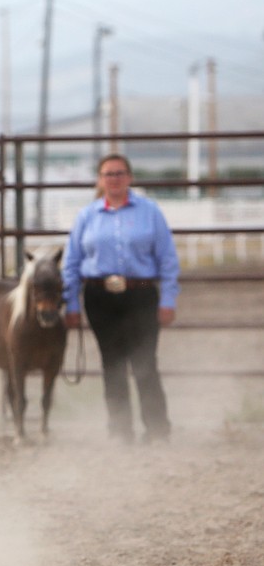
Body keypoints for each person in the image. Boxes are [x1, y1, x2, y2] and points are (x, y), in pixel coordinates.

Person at [62, 153, 180, 444]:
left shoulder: (149, 212)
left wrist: (168, 299)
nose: (113, 179)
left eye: (119, 173)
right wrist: (72, 303)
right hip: (100, 296)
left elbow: (167, 258)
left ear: (129, 177)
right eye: (108, 174)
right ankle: (120, 430)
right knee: (111, 363)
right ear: (100, 180)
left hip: (140, 294)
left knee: (145, 362)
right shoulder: (87, 216)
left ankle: (157, 428)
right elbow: (72, 262)